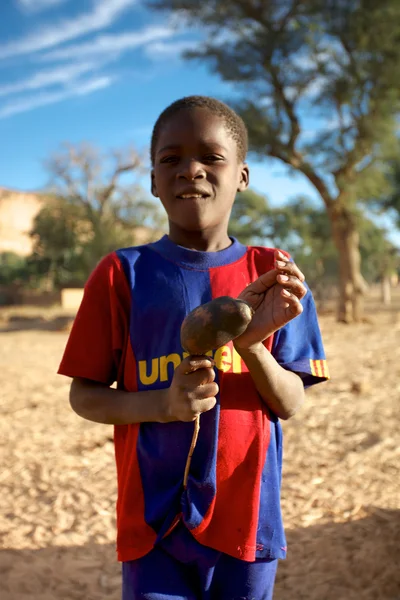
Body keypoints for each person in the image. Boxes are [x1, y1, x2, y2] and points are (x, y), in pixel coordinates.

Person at [58, 96, 329, 600]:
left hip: (248, 519)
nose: (191, 171)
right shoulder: (123, 274)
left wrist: (251, 346)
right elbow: (85, 396)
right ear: (153, 181)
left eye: (212, 157)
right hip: (152, 524)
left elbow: (291, 403)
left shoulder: (274, 275)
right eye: (171, 159)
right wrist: (161, 404)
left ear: (243, 176)